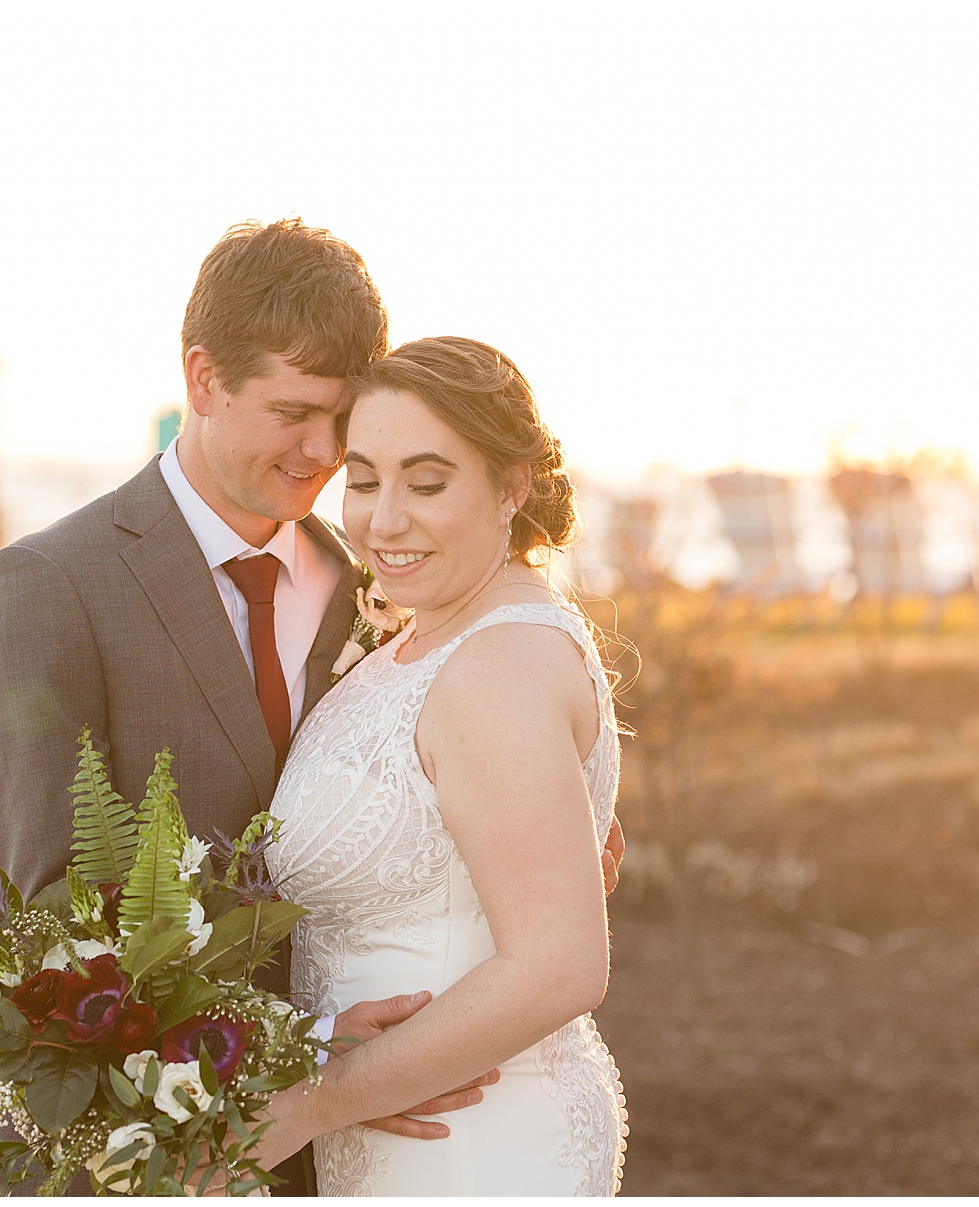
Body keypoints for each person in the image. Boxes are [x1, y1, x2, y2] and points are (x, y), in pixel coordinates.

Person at [0, 221, 624, 1195]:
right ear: (203, 379)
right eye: (293, 412)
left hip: (367, 1141)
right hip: (138, 1149)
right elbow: (62, 924)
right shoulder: (50, 587)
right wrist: (298, 1058)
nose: (323, 453)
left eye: (343, 421)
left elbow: (466, 785)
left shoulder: (385, 582)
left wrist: (558, 842)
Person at [260, 336, 629, 1195]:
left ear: (513, 486)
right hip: (406, 1141)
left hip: (473, 1147)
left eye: (427, 483)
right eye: (362, 480)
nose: (384, 520)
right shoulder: (430, 637)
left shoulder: (498, 663)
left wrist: (305, 1105)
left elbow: (560, 963)